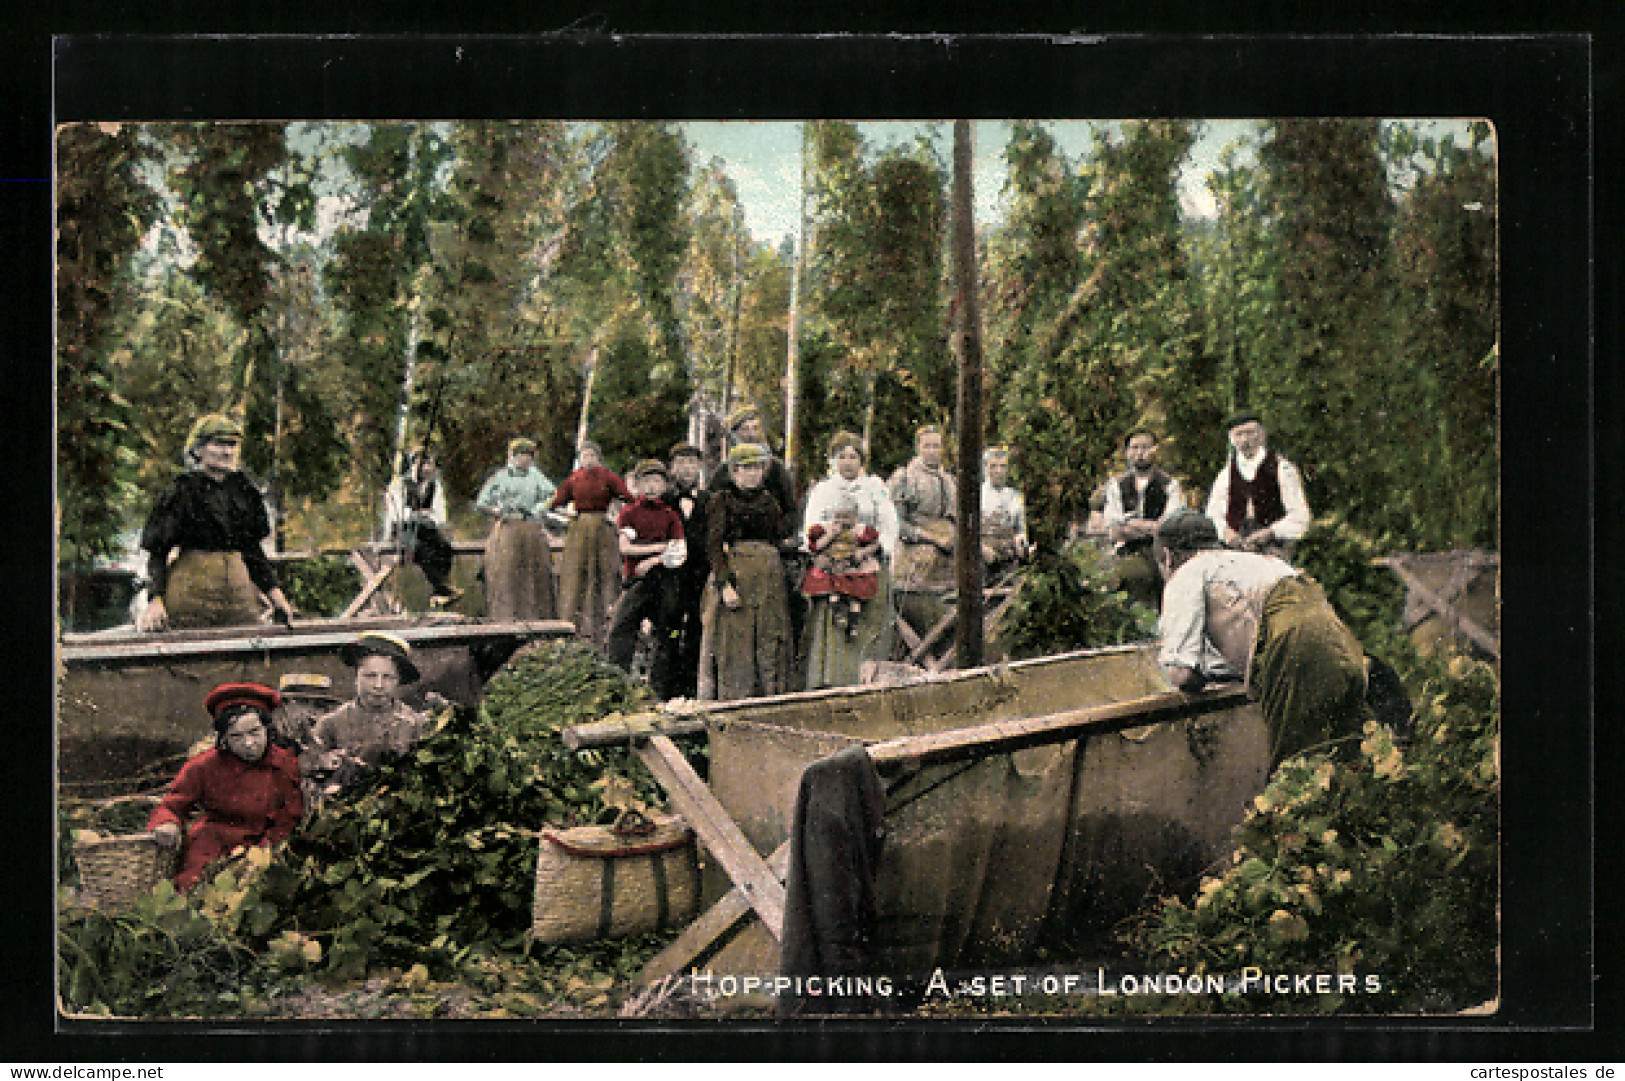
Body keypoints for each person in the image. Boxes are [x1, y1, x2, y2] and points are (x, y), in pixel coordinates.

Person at [1154, 509, 1368, 768]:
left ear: (1167, 555)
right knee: (1348, 770)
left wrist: (1202, 677)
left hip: (1296, 650)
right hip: (1344, 645)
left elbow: (1181, 673)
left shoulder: (1187, 572)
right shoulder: (1258, 563)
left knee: (1293, 778)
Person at [136, 414, 296, 632]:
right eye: (218, 444)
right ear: (198, 449)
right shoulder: (182, 490)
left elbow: (254, 553)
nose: (227, 452)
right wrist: (155, 601)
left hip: (239, 596)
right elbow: (158, 552)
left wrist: (277, 598)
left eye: (231, 445)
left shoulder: (244, 491)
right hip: (191, 595)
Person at [148, 681, 303, 891]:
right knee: (194, 891)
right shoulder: (203, 766)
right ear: (224, 739)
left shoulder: (286, 765)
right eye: (237, 737)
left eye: (255, 732)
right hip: (211, 848)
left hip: (266, 849)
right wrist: (167, 823)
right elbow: (171, 805)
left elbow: (290, 817)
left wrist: (263, 853)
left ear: (267, 728)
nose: (249, 743)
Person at [799, 431, 900, 689]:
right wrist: (825, 548)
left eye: (853, 456)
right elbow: (812, 525)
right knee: (834, 618)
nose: (847, 462)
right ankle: (829, 679)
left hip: (866, 558)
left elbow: (889, 524)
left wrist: (873, 548)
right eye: (841, 456)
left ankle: (868, 680)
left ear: (861, 460)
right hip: (834, 561)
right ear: (833, 460)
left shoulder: (874, 487)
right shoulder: (823, 489)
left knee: (867, 619)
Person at [698, 443, 793, 701]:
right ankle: (734, 700)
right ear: (734, 471)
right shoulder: (722, 500)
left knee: (768, 638)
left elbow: (779, 536)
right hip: (736, 578)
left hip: (768, 580)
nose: (752, 474)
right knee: (735, 644)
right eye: (746, 468)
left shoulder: (769, 501)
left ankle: (769, 699)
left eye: (758, 468)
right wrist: (725, 585)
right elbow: (714, 546)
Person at [305, 631, 432, 795]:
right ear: (356, 678)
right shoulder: (331, 724)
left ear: (398, 681)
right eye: (370, 676)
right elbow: (311, 776)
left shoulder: (416, 725)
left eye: (387, 677)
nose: (378, 685)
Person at [605, 459, 687, 699]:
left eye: (657, 481)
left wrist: (652, 560)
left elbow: (680, 552)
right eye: (646, 481)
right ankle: (617, 688)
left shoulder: (670, 514)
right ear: (637, 484)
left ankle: (658, 692)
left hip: (665, 581)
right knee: (621, 628)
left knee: (667, 633)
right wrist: (662, 548)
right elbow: (625, 548)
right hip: (637, 582)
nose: (651, 487)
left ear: (664, 485)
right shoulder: (629, 512)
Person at [551, 440, 634, 646]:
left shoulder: (609, 478)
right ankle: (575, 626)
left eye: (592, 456)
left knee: (604, 573)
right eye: (584, 456)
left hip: (603, 529)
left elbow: (629, 500)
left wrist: (615, 516)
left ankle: (604, 625)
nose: (588, 460)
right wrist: (569, 513)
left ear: (598, 458)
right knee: (578, 574)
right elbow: (554, 503)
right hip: (580, 529)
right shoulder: (574, 479)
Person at [1205, 412, 1310, 560]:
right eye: (1238, 435)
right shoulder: (1226, 475)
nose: (1245, 440)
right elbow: (1213, 515)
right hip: (1234, 549)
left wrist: (1271, 532)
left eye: (1250, 433)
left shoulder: (1283, 469)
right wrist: (1227, 534)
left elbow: (1300, 515)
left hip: (1273, 549)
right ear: (1232, 439)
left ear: (1261, 435)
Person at [476, 437, 558, 620]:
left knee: (534, 573)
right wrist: (497, 511)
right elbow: (482, 502)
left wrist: (539, 508)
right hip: (508, 529)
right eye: (522, 454)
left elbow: (553, 495)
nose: (526, 459)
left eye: (530, 455)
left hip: (530, 528)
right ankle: (505, 617)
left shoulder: (536, 476)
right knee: (508, 574)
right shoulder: (502, 476)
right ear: (513, 456)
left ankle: (536, 619)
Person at [1103, 429, 1186, 608]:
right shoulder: (1116, 486)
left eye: (1145, 447)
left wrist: (1132, 524)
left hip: (1163, 553)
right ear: (1126, 452)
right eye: (1135, 448)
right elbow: (1114, 531)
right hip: (1127, 551)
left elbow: (1169, 526)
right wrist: (1151, 526)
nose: (1140, 453)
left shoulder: (1169, 485)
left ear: (1155, 450)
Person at [889, 424, 957, 639]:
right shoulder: (905, 478)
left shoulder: (949, 481)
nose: (932, 451)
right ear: (918, 447)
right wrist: (932, 538)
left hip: (946, 563)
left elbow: (956, 520)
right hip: (914, 563)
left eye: (936, 446)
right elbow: (897, 525)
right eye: (927, 446)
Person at [382, 448, 461, 605]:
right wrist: (420, 514)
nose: (428, 469)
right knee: (419, 548)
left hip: (428, 530)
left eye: (430, 465)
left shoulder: (434, 487)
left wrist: (423, 515)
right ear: (414, 466)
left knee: (444, 546)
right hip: (405, 531)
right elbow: (397, 514)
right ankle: (440, 588)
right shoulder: (399, 485)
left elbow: (440, 517)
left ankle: (441, 590)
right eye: (423, 465)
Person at [667, 442, 711, 700]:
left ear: (699, 467)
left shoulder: (708, 499)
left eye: (692, 463)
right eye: (681, 463)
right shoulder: (665, 500)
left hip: (699, 575)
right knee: (670, 626)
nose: (687, 469)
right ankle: (668, 687)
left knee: (697, 627)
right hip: (672, 575)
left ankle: (693, 687)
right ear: (673, 468)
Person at [979, 445, 1030, 577]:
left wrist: (1021, 542)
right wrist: (981, 549)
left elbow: (1021, 530)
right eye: (993, 466)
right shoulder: (977, 495)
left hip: (1008, 556)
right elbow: (966, 533)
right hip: (982, 557)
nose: (998, 471)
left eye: (1003, 466)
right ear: (985, 468)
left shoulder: (1015, 496)